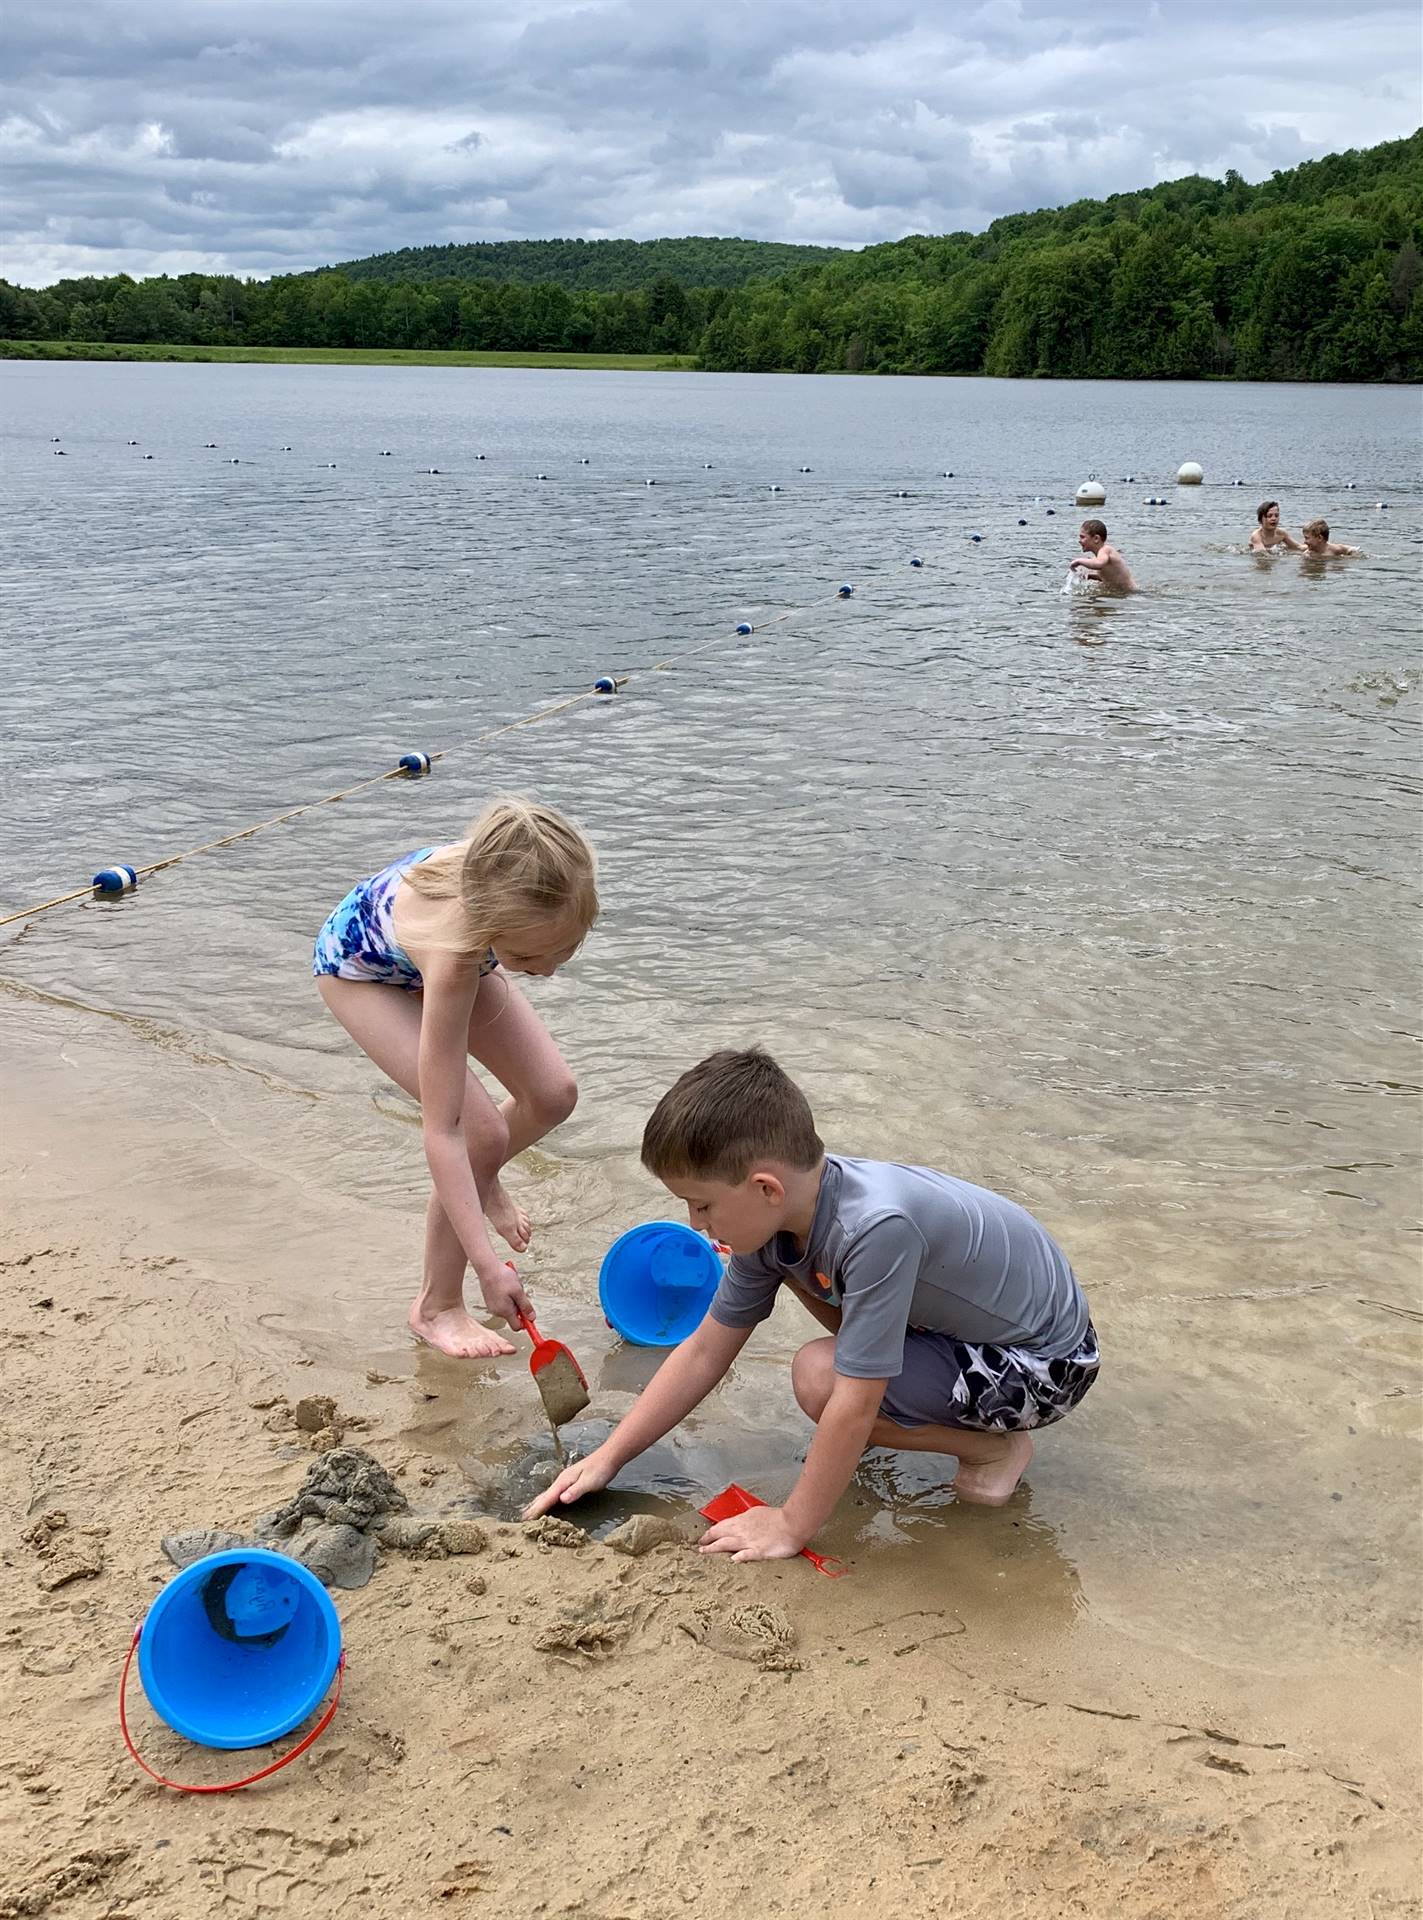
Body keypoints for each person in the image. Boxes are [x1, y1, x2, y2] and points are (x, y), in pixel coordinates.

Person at [527, 1048, 1098, 1560]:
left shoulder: (874, 1229)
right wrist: (609, 1457)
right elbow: (704, 1351)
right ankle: (951, 1417)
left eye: (702, 1206)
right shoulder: (775, 1221)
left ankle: (990, 1451)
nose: (694, 1224)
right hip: (965, 1330)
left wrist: (792, 1523)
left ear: (765, 1187)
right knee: (824, 1351)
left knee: (822, 1379)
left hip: (1048, 1364)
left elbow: (853, 1400)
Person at [313, 798, 597, 1359]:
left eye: (568, 946)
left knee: (552, 1095)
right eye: (530, 956)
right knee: (479, 1135)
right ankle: (437, 1306)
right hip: (363, 973)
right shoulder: (455, 954)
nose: (552, 968)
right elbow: (442, 1131)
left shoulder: (528, 872)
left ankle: (481, 1180)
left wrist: (481, 1174)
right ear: (495, 930)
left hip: (439, 948)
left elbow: (529, 922)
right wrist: (490, 1267)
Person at [1068, 520, 1136, 591]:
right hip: (1123, 593)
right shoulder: (1098, 557)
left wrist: (1079, 561)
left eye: (1082, 537)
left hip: (1131, 593)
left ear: (1096, 538)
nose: (1079, 540)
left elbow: (1099, 564)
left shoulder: (1105, 550)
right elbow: (1109, 577)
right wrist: (1089, 576)